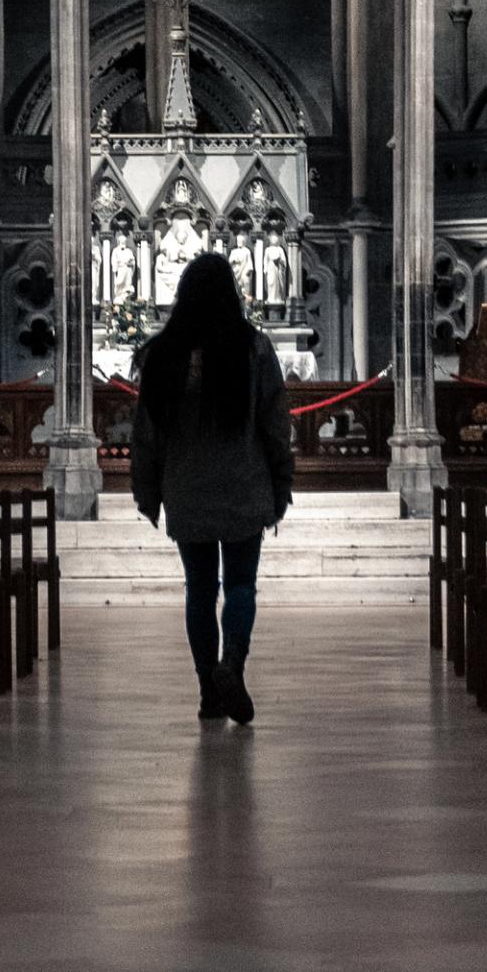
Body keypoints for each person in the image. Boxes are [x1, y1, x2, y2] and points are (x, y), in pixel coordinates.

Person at [130, 249, 294, 725]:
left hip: (187, 489)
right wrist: (282, 481)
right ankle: (232, 666)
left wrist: (147, 491)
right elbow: (274, 422)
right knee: (241, 585)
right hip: (244, 485)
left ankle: (208, 689)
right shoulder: (254, 348)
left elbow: (147, 432)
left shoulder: (163, 355)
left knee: (199, 590)